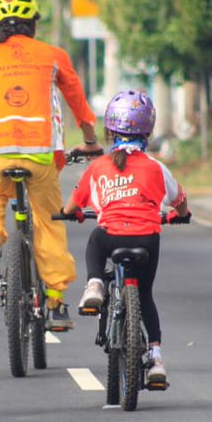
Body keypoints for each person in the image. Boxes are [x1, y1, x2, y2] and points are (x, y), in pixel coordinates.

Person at [0, 0, 103, 332]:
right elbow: (77, 101)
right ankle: (56, 301)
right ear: (33, 24)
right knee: (48, 222)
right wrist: (90, 142)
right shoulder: (53, 55)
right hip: (41, 153)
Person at [63, 90, 190, 386]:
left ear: (109, 131)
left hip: (110, 235)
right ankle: (156, 358)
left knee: (95, 238)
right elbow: (180, 200)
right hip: (147, 238)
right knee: (144, 295)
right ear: (148, 130)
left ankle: (95, 283)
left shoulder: (98, 167)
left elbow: (72, 207)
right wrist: (179, 215)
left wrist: (73, 213)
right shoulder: (157, 167)